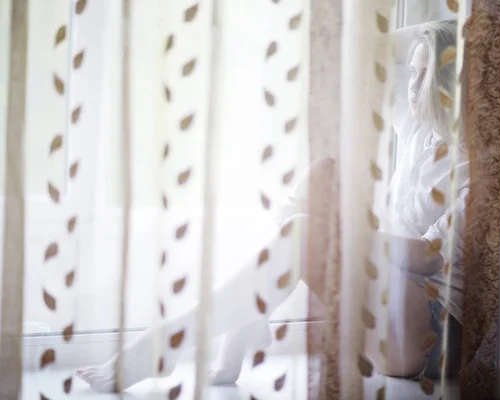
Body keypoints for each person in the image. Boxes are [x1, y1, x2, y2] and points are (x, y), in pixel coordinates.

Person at [77, 19, 467, 392]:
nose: (411, 83)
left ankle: (174, 340)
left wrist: (341, 236)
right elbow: (367, 49)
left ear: (450, 80)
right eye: (412, 72)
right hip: (391, 299)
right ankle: (243, 324)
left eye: (422, 74)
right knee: (324, 174)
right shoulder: (419, 127)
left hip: (429, 332)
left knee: (302, 231)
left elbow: (430, 257)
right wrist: (439, 33)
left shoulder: (482, 166)